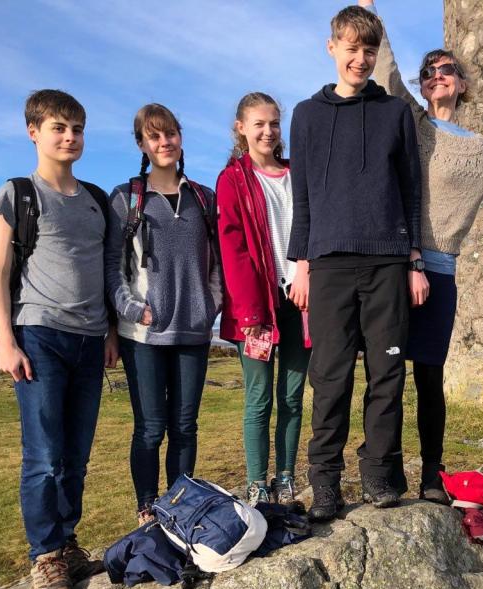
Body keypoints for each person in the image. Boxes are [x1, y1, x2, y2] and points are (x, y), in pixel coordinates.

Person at [361, 0, 483, 504]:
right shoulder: (412, 122)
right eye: (428, 73)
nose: (435, 77)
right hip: (394, 263)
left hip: (441, 271)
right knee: (385, 374)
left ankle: (432, 473)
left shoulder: (481, 151)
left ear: (462, 83)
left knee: (429, 376)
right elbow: (385, 71)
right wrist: (369, 12)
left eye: (445, 70)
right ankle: (383, 472)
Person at [287, 5, 424, 521]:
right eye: (351, 48)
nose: (361, 59)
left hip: (388, 260)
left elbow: (411, 189)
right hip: (328, 264)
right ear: (332, 48)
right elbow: (301, 196)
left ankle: (379, 474)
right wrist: (300, 260)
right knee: (331, 375)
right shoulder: (306, 114)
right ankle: (325, 482)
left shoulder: (394, 113)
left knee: (387, 374)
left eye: (369, 50)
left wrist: (412, 258)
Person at [0, 89, 113, 589]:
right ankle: (44, 555)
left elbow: (107, 273)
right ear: (33, 132)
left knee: (77, 456)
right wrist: (6, 342)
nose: (69, 137)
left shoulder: (96, 199)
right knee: (43, 455)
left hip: (89, 339)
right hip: (39, 335)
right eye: (58, 127)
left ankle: (66, 542)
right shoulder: (19, 193)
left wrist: (108, 334)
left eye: (77, 128)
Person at [105, 103, 222, 523]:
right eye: (154, 136)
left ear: (180, 137)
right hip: (144, 337)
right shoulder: (126, 198)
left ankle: (181, 504)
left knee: (185, 427)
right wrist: (134, 309)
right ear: (142, 144)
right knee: (151, 430)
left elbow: (218, 263)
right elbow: (111, 268)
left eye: (170, 133)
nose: (165, 142)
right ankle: (146, 507)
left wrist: (210, 306)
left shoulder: (204, 198)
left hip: (193, 332)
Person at [217, 93, 311, 507]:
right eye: (258, 124)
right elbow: (232, 248)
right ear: (241, 128)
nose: (268, 131)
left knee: (293, 395)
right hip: (258, 305)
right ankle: (256, 482)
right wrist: (251, 311)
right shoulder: (233, 179)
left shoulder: (297, 173)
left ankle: (286, 476)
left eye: (274, 123)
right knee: (260, 396)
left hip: (301, 297)